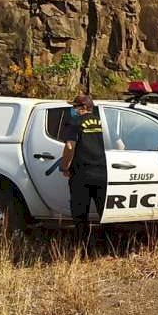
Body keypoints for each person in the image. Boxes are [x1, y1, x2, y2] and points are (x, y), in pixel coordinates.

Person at [60, 95, 107, 243]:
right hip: (103, 172)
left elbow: (69, 146)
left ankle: (82, 246)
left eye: (75, 107)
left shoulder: (74, 122)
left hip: (81, 174)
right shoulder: (103, 121)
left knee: (80, 214)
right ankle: (107, 244)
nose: (73, 109)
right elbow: (119, 144)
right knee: (104, 211)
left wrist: (65, 166)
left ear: (84, 108)